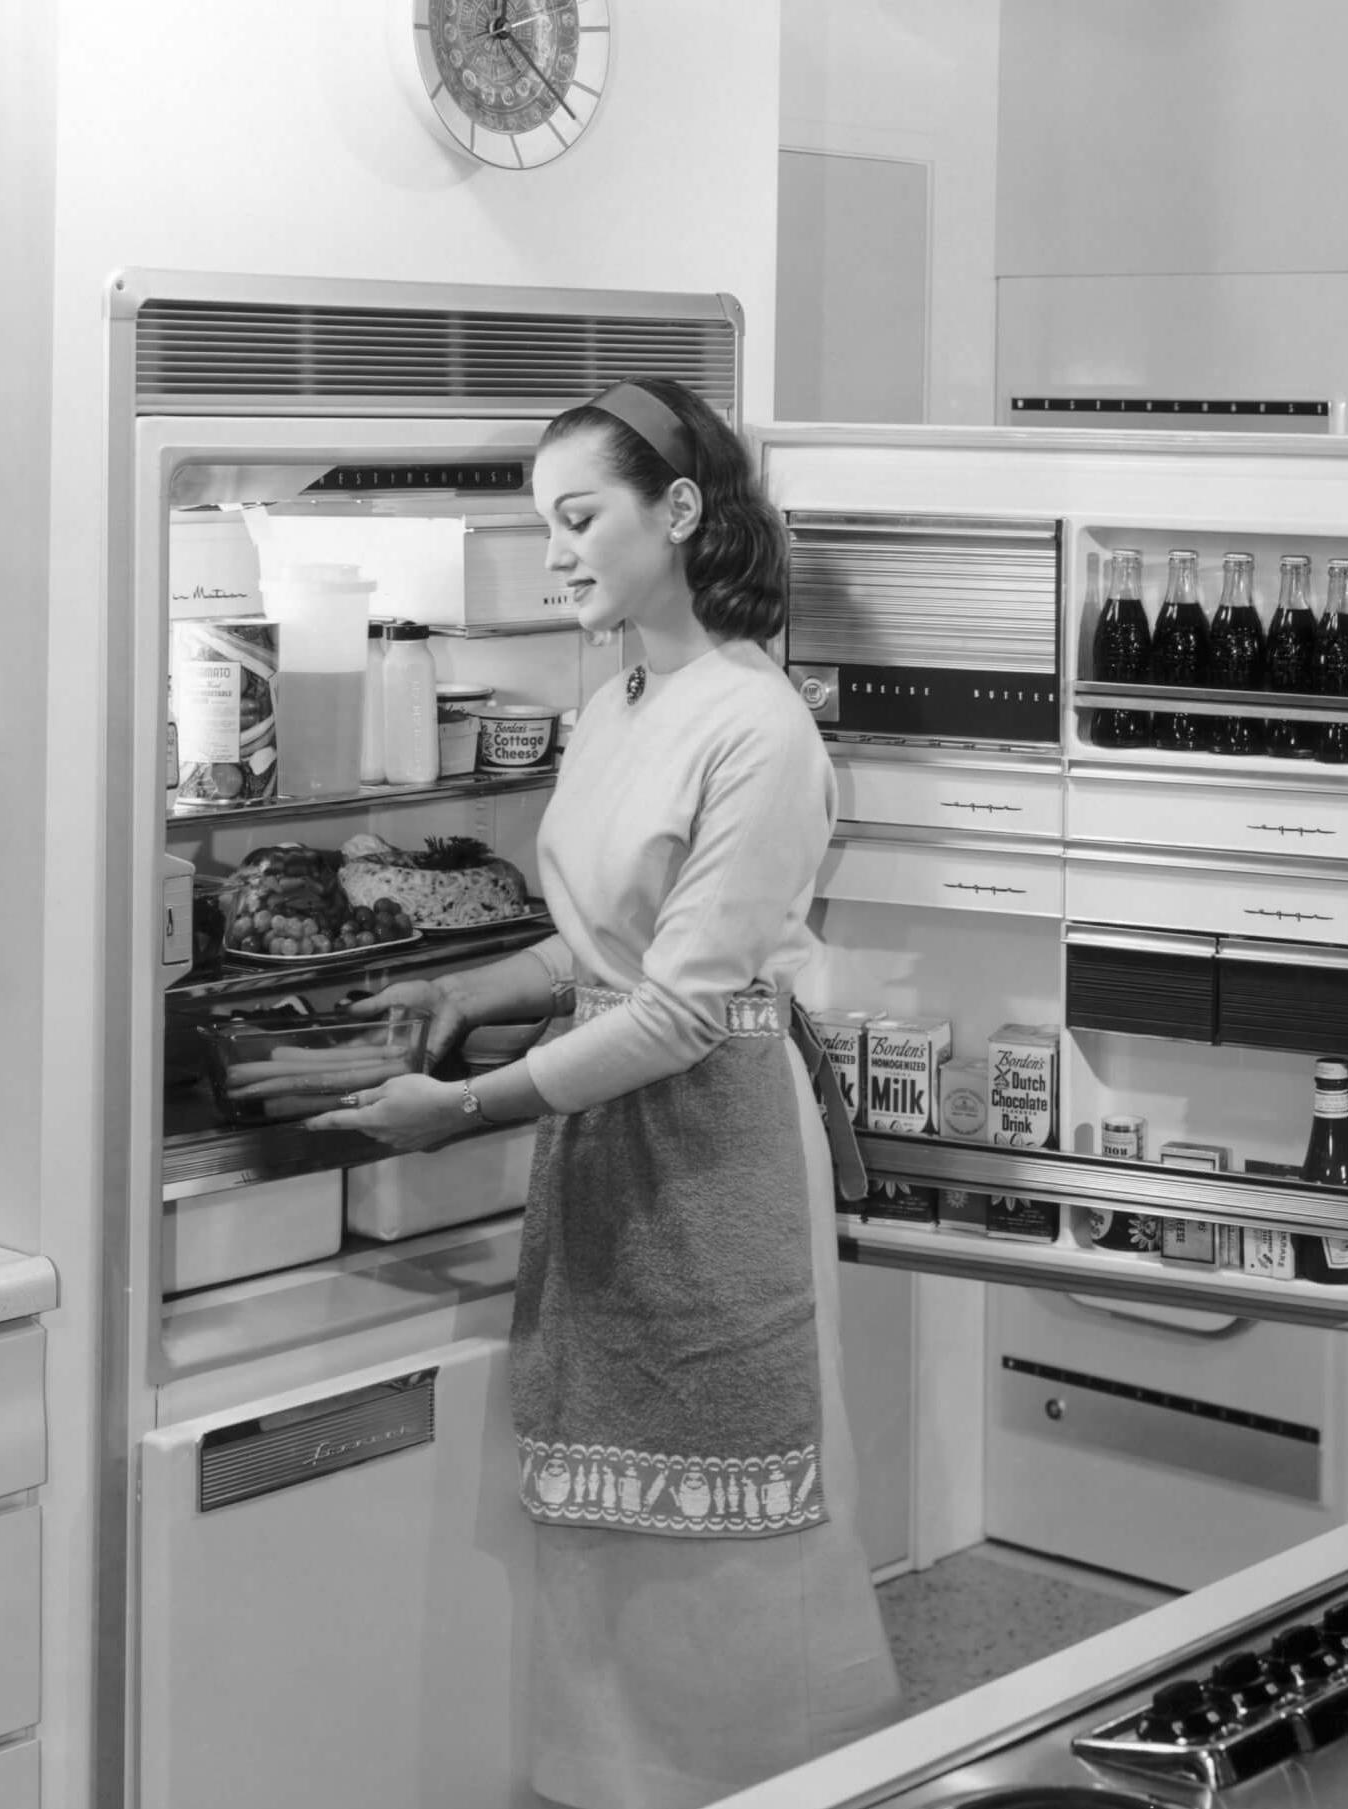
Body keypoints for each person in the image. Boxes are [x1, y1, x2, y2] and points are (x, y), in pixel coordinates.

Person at [304, 376, 902, 1808]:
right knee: (606, 1549)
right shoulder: (622, 693)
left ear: (678, 513)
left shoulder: (758, 729)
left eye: (578, 518)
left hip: (709, 1146)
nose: (556, 551)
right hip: (606, 1136)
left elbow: (688, 1003)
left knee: (727, 1538)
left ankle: (767, 1784)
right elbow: (598, 942)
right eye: (544, 524)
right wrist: (469, 993)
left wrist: (463, 1106)